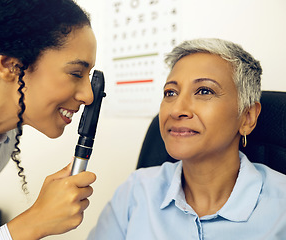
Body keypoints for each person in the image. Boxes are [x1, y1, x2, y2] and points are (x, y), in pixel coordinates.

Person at [88, 38, 286, 239]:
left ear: (247, 117)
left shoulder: (281, 208)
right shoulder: (136, 191)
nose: (176, 110)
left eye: (204, 91)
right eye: (170, 92)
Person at [0, 0, 98, 239]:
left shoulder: (3, 139)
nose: (89, 96)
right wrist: (34, 222)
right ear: (10, 65)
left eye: (89, 76)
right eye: (76, 73)